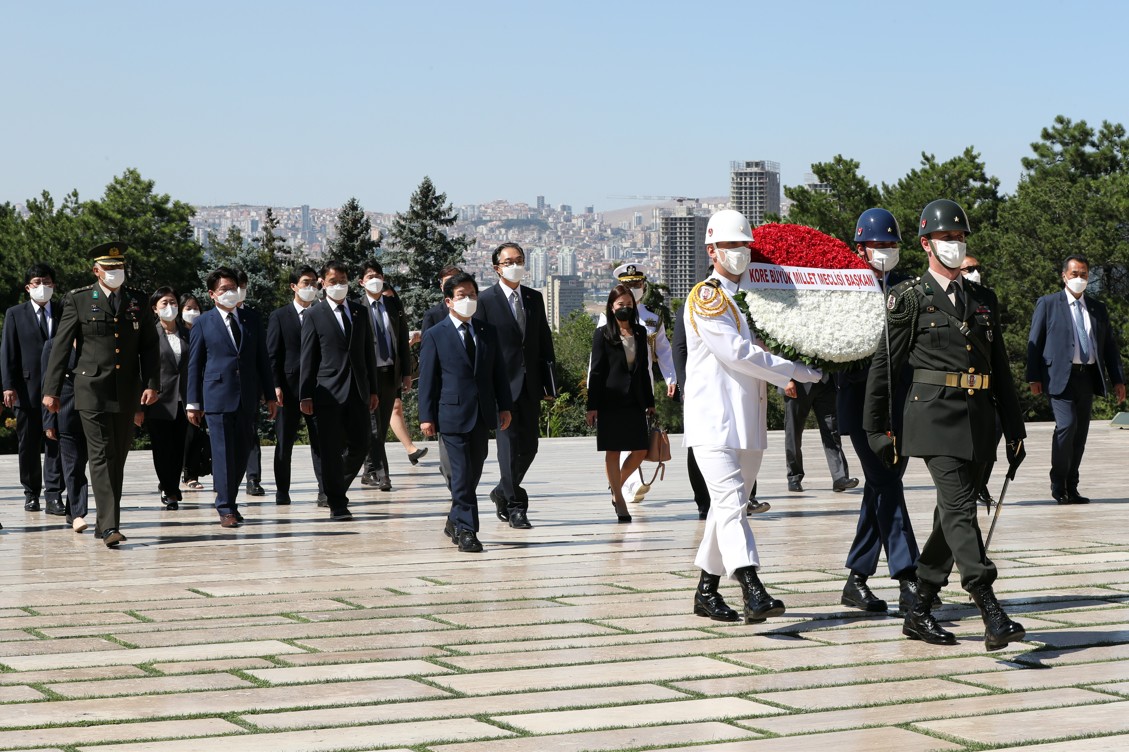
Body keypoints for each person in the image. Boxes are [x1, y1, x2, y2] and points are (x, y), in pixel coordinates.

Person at [864, 199, 1027, 651]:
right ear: (925, 244)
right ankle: (989, 606)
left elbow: (1000, 370)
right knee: (960, 509)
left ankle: (919, 606)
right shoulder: (910, 298)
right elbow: (885, 367)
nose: (954, 245)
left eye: (959, 238)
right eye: (945, 238)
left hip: (979, 421)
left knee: (948, 518)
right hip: (932, 417)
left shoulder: (982, 299)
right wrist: (876, 429)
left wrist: (1014, 429)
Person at [685, 209, 822, 624]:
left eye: (744, 245)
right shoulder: (707, 296)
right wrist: (796, 371)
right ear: (712, 250)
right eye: (730, 246)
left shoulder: (748, 300)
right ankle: (752, 587)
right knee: (728, 502)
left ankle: (706, 591)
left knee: (730, 509)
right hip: (714, 422)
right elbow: (737, 353)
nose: (739, 253)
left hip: (748, 420)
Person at [42, 242, 160, 547]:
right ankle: (110, 527)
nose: (115, 273)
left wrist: (151, 383)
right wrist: (51, 391)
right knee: (100, 455)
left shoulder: (137, 301)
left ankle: (103, 522)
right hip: (91, 389)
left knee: (117, 457)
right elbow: (61, 346)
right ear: (96, 271)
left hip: (126, 390)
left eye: (119, 268)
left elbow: (148, 346)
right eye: (109, 268)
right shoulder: (79, 300)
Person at [837, 208, 924, 613]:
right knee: (887, 482)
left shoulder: (908, 287)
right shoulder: (844, 289)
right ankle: (911, 578)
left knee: (879, 487)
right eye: (878, 246)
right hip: (861, 404)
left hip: (903, 401)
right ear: (861, 248)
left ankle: (857, 579)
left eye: (892, 245)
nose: (886, 252)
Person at [418, 272, 512, 552]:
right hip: (452, 415)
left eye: (473, 295)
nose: (469, 300)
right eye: (462, 296)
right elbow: (428, 379)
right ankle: (468, 531)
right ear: (449, 301)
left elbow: (499, 374)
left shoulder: (487, 331)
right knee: (460, 475)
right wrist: (426, 416)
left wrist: (504, 406)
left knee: (473, 474)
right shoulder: (436, 335)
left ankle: (454, 519)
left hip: (482, 414)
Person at [1026, 253, 1126, 504]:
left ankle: (1072, 485)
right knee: (1067, 426)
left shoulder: (1097, 308)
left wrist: (1118, 380)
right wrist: (1033, 377)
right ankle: (1058, 483)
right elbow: (1034, 344)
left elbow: (1109, 347)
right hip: (1059, 376)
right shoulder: (1048, 304)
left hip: (1087, 377)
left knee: (1080, 434)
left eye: (1083, 274)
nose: (1079, 278)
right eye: (1074, 274)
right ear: (1064, 276)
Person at [186, 267, 277, 528]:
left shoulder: (251, 318)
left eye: (233, 288)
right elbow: (195, 364)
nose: (230, 293)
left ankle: (231, 501)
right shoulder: (204, 322)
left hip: (246, 396)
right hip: (217, 397)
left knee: (241, 454)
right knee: (224, 453)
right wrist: (193, 402)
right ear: (212, 294)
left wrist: (270, 395)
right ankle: (225, 507)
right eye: (224, 289)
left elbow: (262, 359)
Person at [475, 242, 556, 530]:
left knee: (530, 447)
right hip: (502, 387)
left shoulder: (534, 298)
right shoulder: (485, 301)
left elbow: (543, 341)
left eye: (519, 260)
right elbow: (481, 350)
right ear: (496, 267)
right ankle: (514, 505)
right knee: (507, 448)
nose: (515, 265)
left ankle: (501, 489)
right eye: (508, 261)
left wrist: (550, 384)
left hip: (531, 385)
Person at [299, 260, 378, 521]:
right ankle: (337, 502)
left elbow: (368, 353)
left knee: (361, 443)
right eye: (333, 281)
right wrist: (305, 394)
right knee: (331, 448)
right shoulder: (314, 314)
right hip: (327, 393)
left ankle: (332, 487)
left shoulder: (359, 312)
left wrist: (373, 390)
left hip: (358, 390)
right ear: (323, 283)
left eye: (342, 280)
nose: (338, 285)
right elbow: (308, 357)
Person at [593, 263, 676, 506]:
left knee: (639, 440)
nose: (634, 288)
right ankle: (623, 487)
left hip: (642, 386)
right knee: (618, 443)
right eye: (628, 285)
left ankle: (618, 484)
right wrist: (593, 395)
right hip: (613, 390)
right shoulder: (605, 319)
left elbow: (664, 351)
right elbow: (596, 362)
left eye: (637, 284)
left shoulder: (651, 319)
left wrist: (671, 379)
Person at [586, 285, 655, 522]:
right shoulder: (602, 334)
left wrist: (650, 401)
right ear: (611, 307)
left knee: (640, 450)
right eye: (619, 305)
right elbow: (595, 372)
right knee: (613, 451)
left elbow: (644, 370)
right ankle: (619, 497)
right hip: (609, 401)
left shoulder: (640, 332)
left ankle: (616, 486)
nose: (624, 308)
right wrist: (591, 406)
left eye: (628, 304)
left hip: (635, 400)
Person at [2, 262, 64, 515]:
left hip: (59, 391)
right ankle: (31, 493)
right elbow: (7, 352)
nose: (42, 286)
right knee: (28, 445)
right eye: (37, 282)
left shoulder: (63, 311)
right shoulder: (15, 314)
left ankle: (54, 495)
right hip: (26, 391)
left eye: (46, 281)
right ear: (28, 287)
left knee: (56, 444)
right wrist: (7, 386)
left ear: (54, 285)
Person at [266, 265, 325, 506]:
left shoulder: (322, 314)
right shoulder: (279, 316)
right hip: (288, 391)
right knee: (285, 443)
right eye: (305, 283)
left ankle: (325, 489)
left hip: (318, 388)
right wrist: (275, 386)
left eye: (314, 283)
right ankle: (282, 490)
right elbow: (273, 355)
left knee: (321, 442)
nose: (310, 288)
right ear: (293, 286)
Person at [358, 259, 412, 492]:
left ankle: (369, 471)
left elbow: (402, 339)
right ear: (361, 282)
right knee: (372, 426)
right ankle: (383, 474)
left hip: (391, 373)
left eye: (378, 275)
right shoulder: (357, 309)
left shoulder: (392, 305)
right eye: (370, 276)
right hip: (369, 376)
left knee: (379, 426)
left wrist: (407, 373)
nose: (375, 279)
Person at [138, 287, 189, 511]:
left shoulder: (188, 332)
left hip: (185, 399)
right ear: (155, 309)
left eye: (173, 302)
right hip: (158, 399)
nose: (170, 307)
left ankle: (172, 485)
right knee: (162, 447)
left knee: (179, 447)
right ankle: (168, 490)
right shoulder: (150, 334)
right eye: (164, 303)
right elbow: (140, 369)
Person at [961, 254, 1003, 508]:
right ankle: (970, 486)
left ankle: (980, 483)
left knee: (994, 431)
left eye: (977, 268)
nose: (975, 272)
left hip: (986, 383)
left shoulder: (986, 299)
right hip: (959, 385)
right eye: (969, 269)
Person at [40, 337, 89, 532]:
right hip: (65, 412)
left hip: (92, 412)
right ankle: (78, 513)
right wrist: (48, 421)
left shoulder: (96, 341)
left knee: (85, 462)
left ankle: (73, 510)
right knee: (73, 464)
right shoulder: (53, 345)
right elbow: (47, 384)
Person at [421, 265, 462, 489]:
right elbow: (427, 359)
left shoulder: (475, 313)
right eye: (448, 281)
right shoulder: (433, 315)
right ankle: (453, 484)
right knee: (447, 447)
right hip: (443, 392)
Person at [783, 373, 858, 493]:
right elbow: (781, 355)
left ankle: (839, 477)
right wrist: (785, 379)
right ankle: (794, 477)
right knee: (794, 432)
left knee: (831, 429)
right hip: (797, 384)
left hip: (826, 382)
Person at [383, 283, 427, 465]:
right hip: (376, 372)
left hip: (394, 371)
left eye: (391, 297)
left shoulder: (397, 315)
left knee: (395, 407)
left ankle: (410, 449)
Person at [236, 270, 267, 498]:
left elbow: (262, 356)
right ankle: (225, 478)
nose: (238, 291)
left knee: (251, 433)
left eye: (242, 285)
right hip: (222, 388)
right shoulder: (210, 319)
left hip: (250, 387)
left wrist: (268, 389)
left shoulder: (253, 318)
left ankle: (253, 479)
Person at [178, 293, 208, 493]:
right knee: (183, 436)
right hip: (178, 391)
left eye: (196, 308)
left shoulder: (204, 329)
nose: (193, 312)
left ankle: (192, 474)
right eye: (188, 308)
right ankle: (181, 472)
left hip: (201, 388)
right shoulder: (177, 332)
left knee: (196, 434)